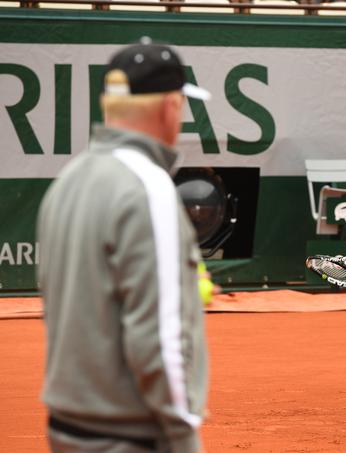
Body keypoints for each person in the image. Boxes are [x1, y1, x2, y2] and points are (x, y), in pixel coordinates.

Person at [37, 37, 212, 452]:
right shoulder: (148, 188)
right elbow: (161, 336)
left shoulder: (70, 179)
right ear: (171, 107)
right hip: (135, 435)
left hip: (68, 428)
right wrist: (184, 425)